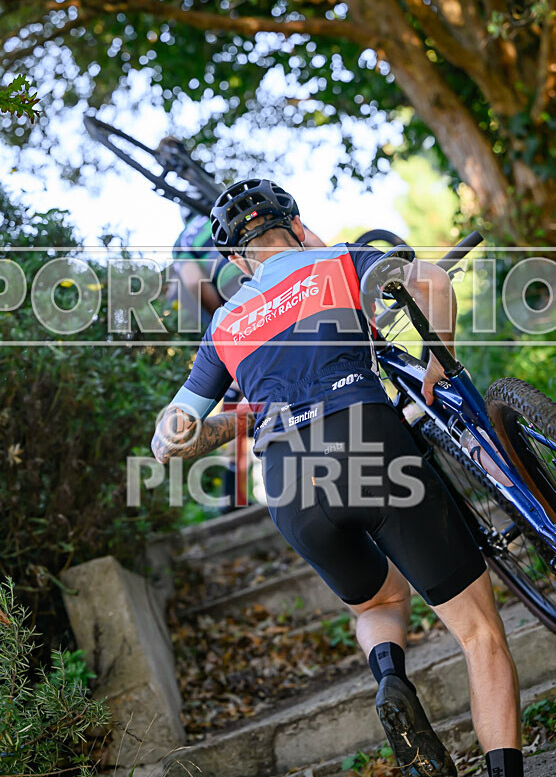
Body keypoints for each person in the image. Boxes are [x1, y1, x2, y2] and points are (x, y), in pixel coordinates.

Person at [151, 179, 523, 777]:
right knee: (479, 633)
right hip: (367, 443)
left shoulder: (224, 324)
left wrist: (230, 421)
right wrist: (434, 365)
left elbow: (174, 433)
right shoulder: (338, 259)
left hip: (290, 487)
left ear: (232, 261)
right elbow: (430, 281)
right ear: (297, 227)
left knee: (379, 598)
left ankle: (391, 681)